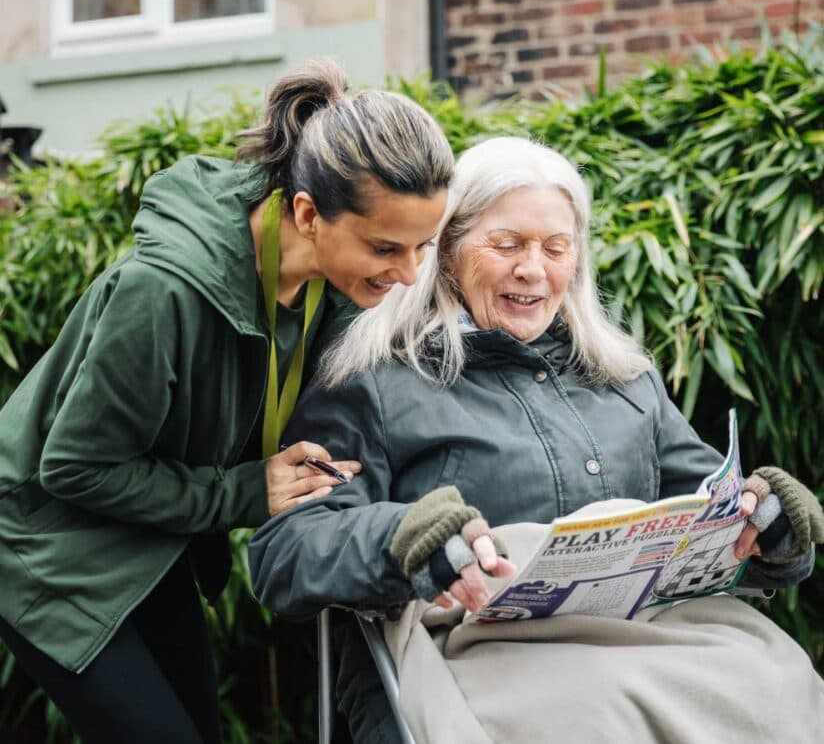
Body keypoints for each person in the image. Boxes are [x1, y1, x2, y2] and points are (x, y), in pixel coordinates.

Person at [249, 137, 824, 744]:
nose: (533, 269)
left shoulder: (625, 378)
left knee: (778, 682)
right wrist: (402, 538)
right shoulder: (374, 381)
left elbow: (717, 517)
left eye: (556, 248)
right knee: (596, 714)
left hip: (646, 637)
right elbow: (284, 552)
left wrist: (774, 527)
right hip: (475, 654)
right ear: (445, 250)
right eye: (506, 245)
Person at [0, 60, 454, 744]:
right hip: (41, 532)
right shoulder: (162, 293)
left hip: (149, 530)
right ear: (307, 214)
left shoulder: (333, 283)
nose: (408, 273)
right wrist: (250, 489)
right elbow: (74, 468)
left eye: (424, 245)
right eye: (387, 248)